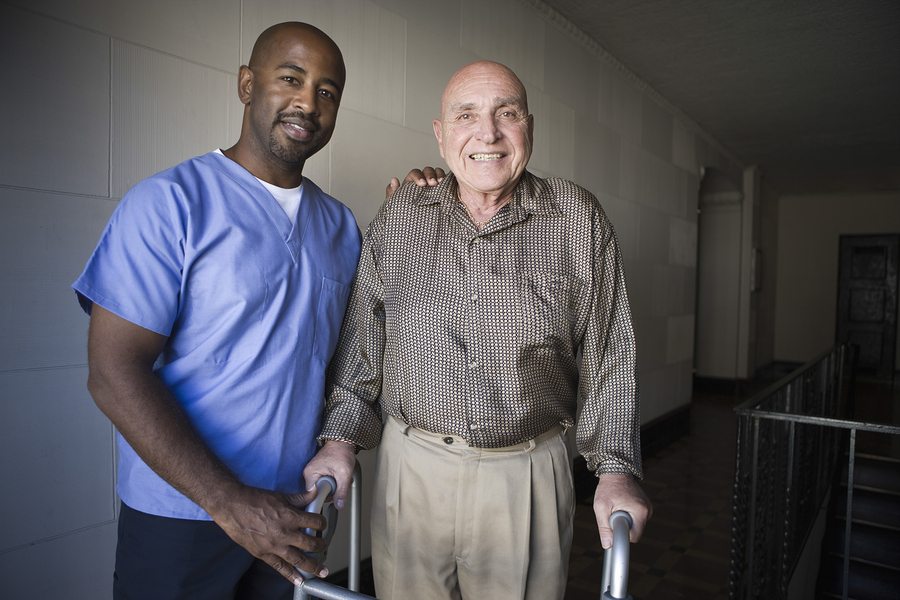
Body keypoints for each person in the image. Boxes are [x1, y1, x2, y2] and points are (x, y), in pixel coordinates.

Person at [305, 60, 652, 599]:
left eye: (506, 114)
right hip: (410, 470)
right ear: (442, 137)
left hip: (526, 474)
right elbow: (361, 353)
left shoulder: (577, 219)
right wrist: (338, 441)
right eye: (466, 116)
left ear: (529, 128)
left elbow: (610, 355)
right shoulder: (400, 218)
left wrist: (615, 468)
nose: (487, 133)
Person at [72, 22, 361, 600]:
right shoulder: (169, 204)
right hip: (182, 517)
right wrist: (231, 504)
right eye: (290, 78)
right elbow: (112, 374)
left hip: (295, 514)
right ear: (247, 85)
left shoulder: (342, 227)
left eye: (327, 92)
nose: (308, 101)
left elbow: (351, 357)